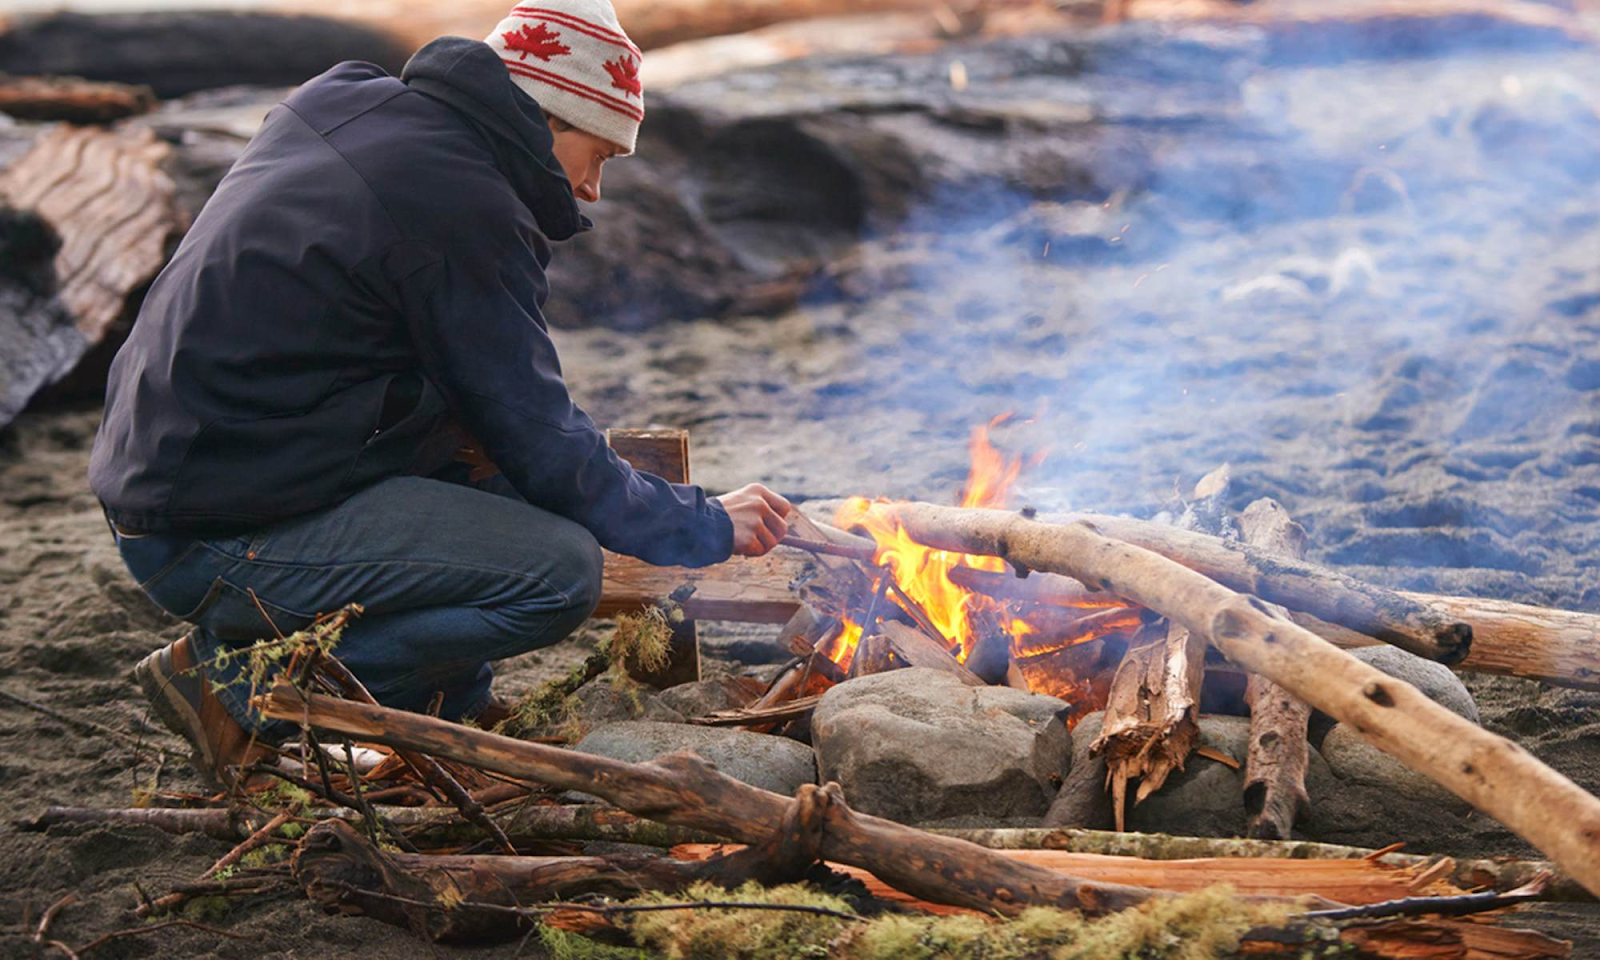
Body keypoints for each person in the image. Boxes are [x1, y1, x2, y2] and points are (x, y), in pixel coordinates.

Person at [87, 0, 790, 788]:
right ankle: (237, 685)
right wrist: (700, 522)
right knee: (557, 572)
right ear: (549, 120)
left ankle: (449, 706)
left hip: (177, 469)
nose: (592, 189)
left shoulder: (350, 102)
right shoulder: (462, 203)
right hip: (208, 533)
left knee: (494, 477)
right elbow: (539, 436)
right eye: (599, 155)